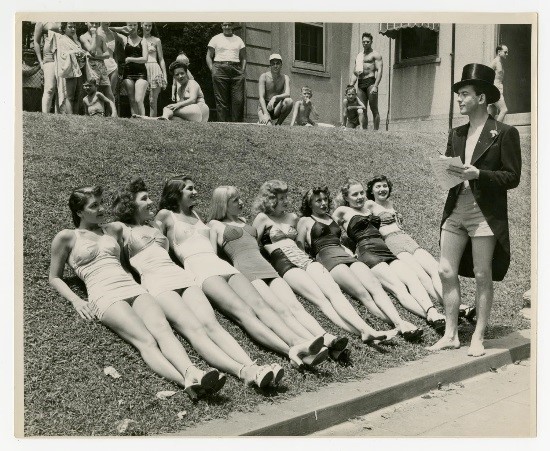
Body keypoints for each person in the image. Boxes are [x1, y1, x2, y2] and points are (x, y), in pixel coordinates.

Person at [49, 186, 225, 401]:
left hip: (132, 287)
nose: (101, 208)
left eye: (101, 203)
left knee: (164, 331)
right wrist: (76, 300)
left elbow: (130, 253)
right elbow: (54, 277)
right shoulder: (67, 237)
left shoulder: (112, 229)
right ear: (79, 212)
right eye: (94, 206)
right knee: (145, 340)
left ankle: (191, 371)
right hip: (104, 293)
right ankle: (185, 383)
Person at [111, 178, 281, 388]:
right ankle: (242, 371)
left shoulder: (155, 224)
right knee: (194, 330)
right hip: (157, 283)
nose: (151, 202)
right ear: (130, 204)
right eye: (144, 199)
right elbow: (116, 257)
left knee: (212, 325)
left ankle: (251, 366)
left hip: (182, 276)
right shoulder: (122, 230)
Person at [155, 175, 328, 369]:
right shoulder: (165, 215)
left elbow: (216, 246)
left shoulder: (196, 215)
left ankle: (297, 341)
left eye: (194, 188)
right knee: (243, 313)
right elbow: (153, 243)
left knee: (260, 305)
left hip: (221, 264)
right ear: (176, 192)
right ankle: (290, 349)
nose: (195, 192)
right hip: (200, 270)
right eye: (190, 188)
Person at [428, 63, 521, 357]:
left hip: (485, 213)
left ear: (481, 98)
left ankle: (478, 337)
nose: (459, 99)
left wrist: (478, 174)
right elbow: (454, 172)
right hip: (456, 208)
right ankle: (451, 334)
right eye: (459, 94)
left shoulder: (504, 132)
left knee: (482, 274)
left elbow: (512, 176)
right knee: (445, 270)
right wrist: (446, 169)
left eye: (464, 93)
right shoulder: (456, 133)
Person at [208, 185, 350, 359]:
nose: (241, 202)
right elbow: (212, 256)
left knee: (295, 307)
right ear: (223, 203)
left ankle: (327, 338)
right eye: (235, 200)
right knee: (280, 310)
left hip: (267, 267)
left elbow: (261, 243)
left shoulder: (245, 221)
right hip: (246, 271)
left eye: (240, 198)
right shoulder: (215, 225)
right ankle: (313, 344)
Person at [251, 181, 398, 347]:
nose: (286, 201)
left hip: (305, 259)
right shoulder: (262, 218)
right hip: (283, 261)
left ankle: (366, 329)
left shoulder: (292, 217)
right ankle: (361, 331)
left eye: (286, 197)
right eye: (281, 198)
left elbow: (303, 242)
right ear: (270, 200)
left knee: (335, 293)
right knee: (321, 300)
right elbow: (252, 246)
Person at [297, 186, 423, 341]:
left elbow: (337, 238)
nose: (323, 203)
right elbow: (300, 246)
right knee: (363, 294)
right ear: (310, 204)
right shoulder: (305, 221)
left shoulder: (331, 217)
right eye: (318, 201)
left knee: (376, 287)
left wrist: (349, 251)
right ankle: (397, 324)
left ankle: (400, 322)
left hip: (345, 255)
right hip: (327, 257)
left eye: (325, 199)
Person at [333, 180, 447, 331]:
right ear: (346, 197)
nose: (360, 197)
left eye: (361, 193)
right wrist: (345, 249)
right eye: (355, 194)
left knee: (412, 279)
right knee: (398, 287)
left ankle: (432, 312)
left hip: (385, 249)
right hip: (367, 251)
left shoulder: (369, 207)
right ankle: (431, 315)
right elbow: (329, 231)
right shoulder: (343, 211)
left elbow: (389, 213)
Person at [135, 61, 209, 122]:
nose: (180, 76)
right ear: (174, 77)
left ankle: (163, 117)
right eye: (177, 75)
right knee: (173, 118)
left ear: (186, 73)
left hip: (200, 110)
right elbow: (181, 107)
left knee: (167, 108)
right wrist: (176, 105)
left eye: (182, 73)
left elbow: (193, 99)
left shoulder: (192, 82)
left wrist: (177, 105)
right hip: (194, 117)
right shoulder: (180, 90)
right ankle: (148, 119)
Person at [206, 22, 246, 122]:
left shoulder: (238, 40)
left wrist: (242, 71)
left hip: (236, 70)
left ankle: (236, 126)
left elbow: (244, 57)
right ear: (221, 26)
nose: (227, 27)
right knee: (221, 100)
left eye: (229, 25)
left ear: (233, 26)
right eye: (225, 25)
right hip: (220, 68)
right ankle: (222, 126)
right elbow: (208, 56)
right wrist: (213, 70)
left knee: (238, 100)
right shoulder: (215, 38)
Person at [79, 22, 116, 112]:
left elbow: (107, 54)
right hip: (91, 67)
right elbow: (91, 50)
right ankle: (93, 114)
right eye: (92, 23)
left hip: (102, 66)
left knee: (109, 92)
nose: (94, 26)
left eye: (96, 23)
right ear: (86, 22)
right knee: (93, 91)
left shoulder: (101, 37)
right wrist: (94, 35)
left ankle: (114, 114)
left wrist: (95, 57)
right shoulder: (83, 37)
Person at [349, 32, 382, 130]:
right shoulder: (359, 56)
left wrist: (376, 86)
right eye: (363, 42)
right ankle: (365, 131)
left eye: (367, 41)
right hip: (361, 83)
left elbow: (379, 70)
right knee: (362, 109)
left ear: (371, 42)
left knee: (374, 108)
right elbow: (355, 72)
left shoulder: (375, 55)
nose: (365, 43)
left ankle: (376, 131)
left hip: (371, 82)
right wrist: (351, 85)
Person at [118, 22, 149, 117]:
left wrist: (130, 59)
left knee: (138, 99)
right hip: (128, 73)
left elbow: (145, 59)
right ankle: (135, 120)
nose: (133, 27)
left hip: (141, 73)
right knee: (131, 100)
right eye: (130, 25)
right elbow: (109, 28)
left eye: (135, 25)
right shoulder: (124, 39)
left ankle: (143, 120)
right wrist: (122, 28)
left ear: (138, 26)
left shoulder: (143, 41)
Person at [33, 21, 62, 113]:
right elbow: (36, 42)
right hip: (49, 57)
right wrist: (40, 61)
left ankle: (59, 115)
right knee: (49, 88)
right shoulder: (41, 21)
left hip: (63, 56)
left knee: (61, 89)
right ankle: (45, 115)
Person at [58, 22, 86, 115]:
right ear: (64, 28)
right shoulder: (62, 40)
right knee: (70, 95)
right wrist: (75, 52)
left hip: (78, 68)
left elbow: (80, 53)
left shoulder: (76, 41)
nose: (73, 29)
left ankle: (76, 115)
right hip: (70, 69)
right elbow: (63, 54)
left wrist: (81, 54)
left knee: (78, 94)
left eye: (74, 27)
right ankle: (71, 117)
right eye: (70, 27)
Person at [257, 54, 293, 125]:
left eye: (277, 63)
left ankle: (278, 124)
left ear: (281, 65)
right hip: (264, 107)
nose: (275, 66)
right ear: (270, 65)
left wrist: (275, 97)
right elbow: (261, 98)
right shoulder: (264, 76)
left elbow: (288, 94)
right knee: (268, 126)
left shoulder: (285, 77)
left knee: (289, 101)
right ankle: (262, 120)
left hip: (276, 107)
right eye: (273, 64)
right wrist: (266, 114)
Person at [141, 22, 167, 117]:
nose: (148, 27)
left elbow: (161, 59)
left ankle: (153, 123)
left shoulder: (156, 40)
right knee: (140, 98)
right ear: (141, 25)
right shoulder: (138, 40)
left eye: (150, 25)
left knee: (152, 100)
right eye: (146, 25)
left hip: (154, 69)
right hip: (142, 69)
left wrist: (165, 75)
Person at [98, 23, 123, 114]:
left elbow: (116, 53)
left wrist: (117, 67)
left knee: (111, 93)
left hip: (112, 65)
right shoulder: (95, 32)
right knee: (99, 92)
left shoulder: (114, 34)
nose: (107, 21)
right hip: (99, 64)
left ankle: (111, 115)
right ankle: (99, 113)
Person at [488, 45, 509, 122]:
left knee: (491, 114)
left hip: (498, 88)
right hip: (495, 89)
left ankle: (488, 132)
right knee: (504, 110)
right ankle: (496, 131)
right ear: (499, 52)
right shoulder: (495, 62)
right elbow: (486, 74)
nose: (507, 54)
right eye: (505, 52)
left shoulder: (500, 62)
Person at [22, 48, 43, 112]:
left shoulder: (38, 67)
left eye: (32, 56)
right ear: (23, 57)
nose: (29, 58)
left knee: (36, 110)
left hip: (38, 91)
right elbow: (27, 73)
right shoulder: (21, 66)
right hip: (26, 90)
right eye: (27, 55)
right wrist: (40, 65)